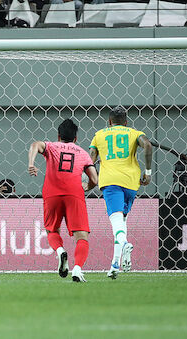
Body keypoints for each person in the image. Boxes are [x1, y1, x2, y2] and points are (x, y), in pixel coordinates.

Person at [28, 119, 98, 283]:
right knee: (81, 236)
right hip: (74, 194)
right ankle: (77, 269)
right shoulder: (82, 153)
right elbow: (94, 178)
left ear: (58, 136)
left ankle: (60, 251)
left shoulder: (51, 146)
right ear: (75, 138)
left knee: (52, 230)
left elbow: (35, 145)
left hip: (52, 193)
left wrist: (31, 163)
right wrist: (87, 186)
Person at [89, 106, 152, 280]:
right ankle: (115, 264)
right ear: (126, 122)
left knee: (116, 222)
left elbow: (91, 159)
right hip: (131, 183)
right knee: (121, 222)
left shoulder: (99, 135)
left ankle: (124, 244)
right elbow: (147, 145)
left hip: (111, 182)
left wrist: (88, 181)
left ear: (109, 122)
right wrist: (148, 172)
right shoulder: (134, 133)